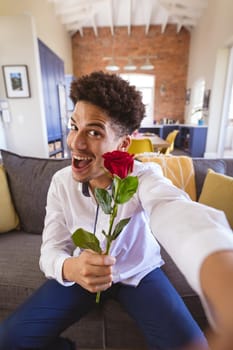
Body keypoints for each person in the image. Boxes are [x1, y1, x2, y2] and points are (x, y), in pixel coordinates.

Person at [0, 71, 232, 350]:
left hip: (140, 274)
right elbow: (50, 250)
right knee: (11, 340)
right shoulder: (61, 183)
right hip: (82, 276)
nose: (75, 142)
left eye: (94, 132)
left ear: (122, 145)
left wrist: (221, 265)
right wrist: (71, 267)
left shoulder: (143, 177)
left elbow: (172, 208)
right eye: (74, 126)